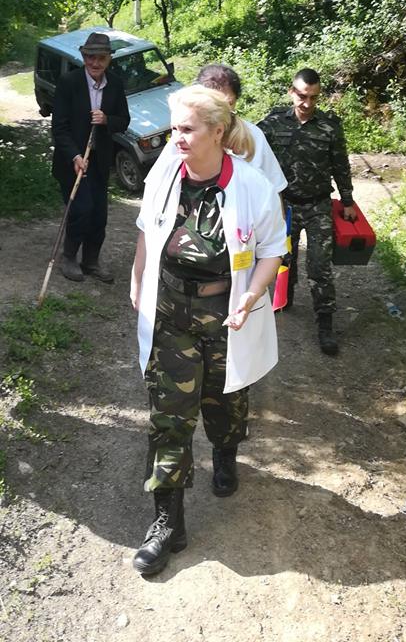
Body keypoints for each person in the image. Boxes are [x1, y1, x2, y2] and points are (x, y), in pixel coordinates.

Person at [130, 84, 285, 576]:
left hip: (226, 316)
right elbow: (146, 228)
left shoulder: (251, 185)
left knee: (225, 402)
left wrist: (251, 297)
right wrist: (138, 281)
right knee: (169, 418)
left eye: (187, 129)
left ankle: (225, 451)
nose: (176, 138)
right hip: (171, 312)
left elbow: (272, 250)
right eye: (174, 128)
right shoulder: (165, 174)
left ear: (218, 132)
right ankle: (167, 523)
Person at [258, 68, 356, 357]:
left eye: (313, 97)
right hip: (284, 206)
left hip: (317, 205)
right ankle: (284, 298)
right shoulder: (273, 123)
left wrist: (347, 200)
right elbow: (250, 150)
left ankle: (325, 325)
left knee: (319, 266)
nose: (307, 103)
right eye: (302, 96)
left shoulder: (329, 126)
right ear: (292, 92)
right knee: (282, 258)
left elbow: (340, 164)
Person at [51, 31, 130, 283]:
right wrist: (75, 156)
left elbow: (124, 121)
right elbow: (59, 127)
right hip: (72, 160)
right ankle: (69, 258)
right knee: (81, 208)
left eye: (101, 58)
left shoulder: (115, 84)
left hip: (99, 160)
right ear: (83, 57)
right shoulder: (69, 82)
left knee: (99, 214)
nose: (95, 63)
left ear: (109, 59)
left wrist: (107, 119)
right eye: (90, 57)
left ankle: (91, 261)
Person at [195, 63, 287, 194]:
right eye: (215, 104)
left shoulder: (252, 135)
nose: (223, 111)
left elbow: (275, 187)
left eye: (229, 103)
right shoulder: (187, 135)